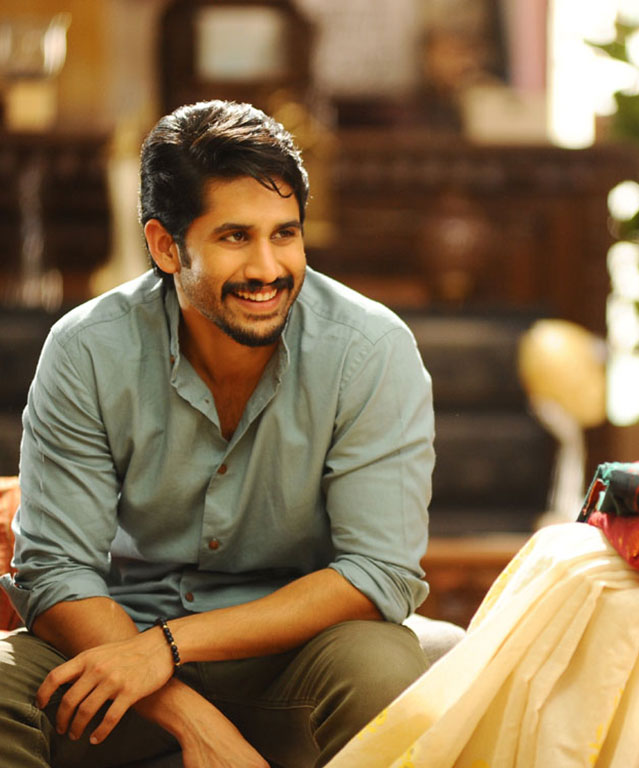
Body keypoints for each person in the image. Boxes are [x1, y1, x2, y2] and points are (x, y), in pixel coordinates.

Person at [0, 100, 435, 768]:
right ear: (165, 246)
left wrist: (170, 646)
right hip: (123, 645)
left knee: (385, 675)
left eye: (284, 234)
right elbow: (55, 568)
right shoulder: (87, 349)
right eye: (235, 237)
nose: (268, 268)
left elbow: (377, 572)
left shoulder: (370, 349)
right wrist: (187, 714)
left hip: (300, 656)